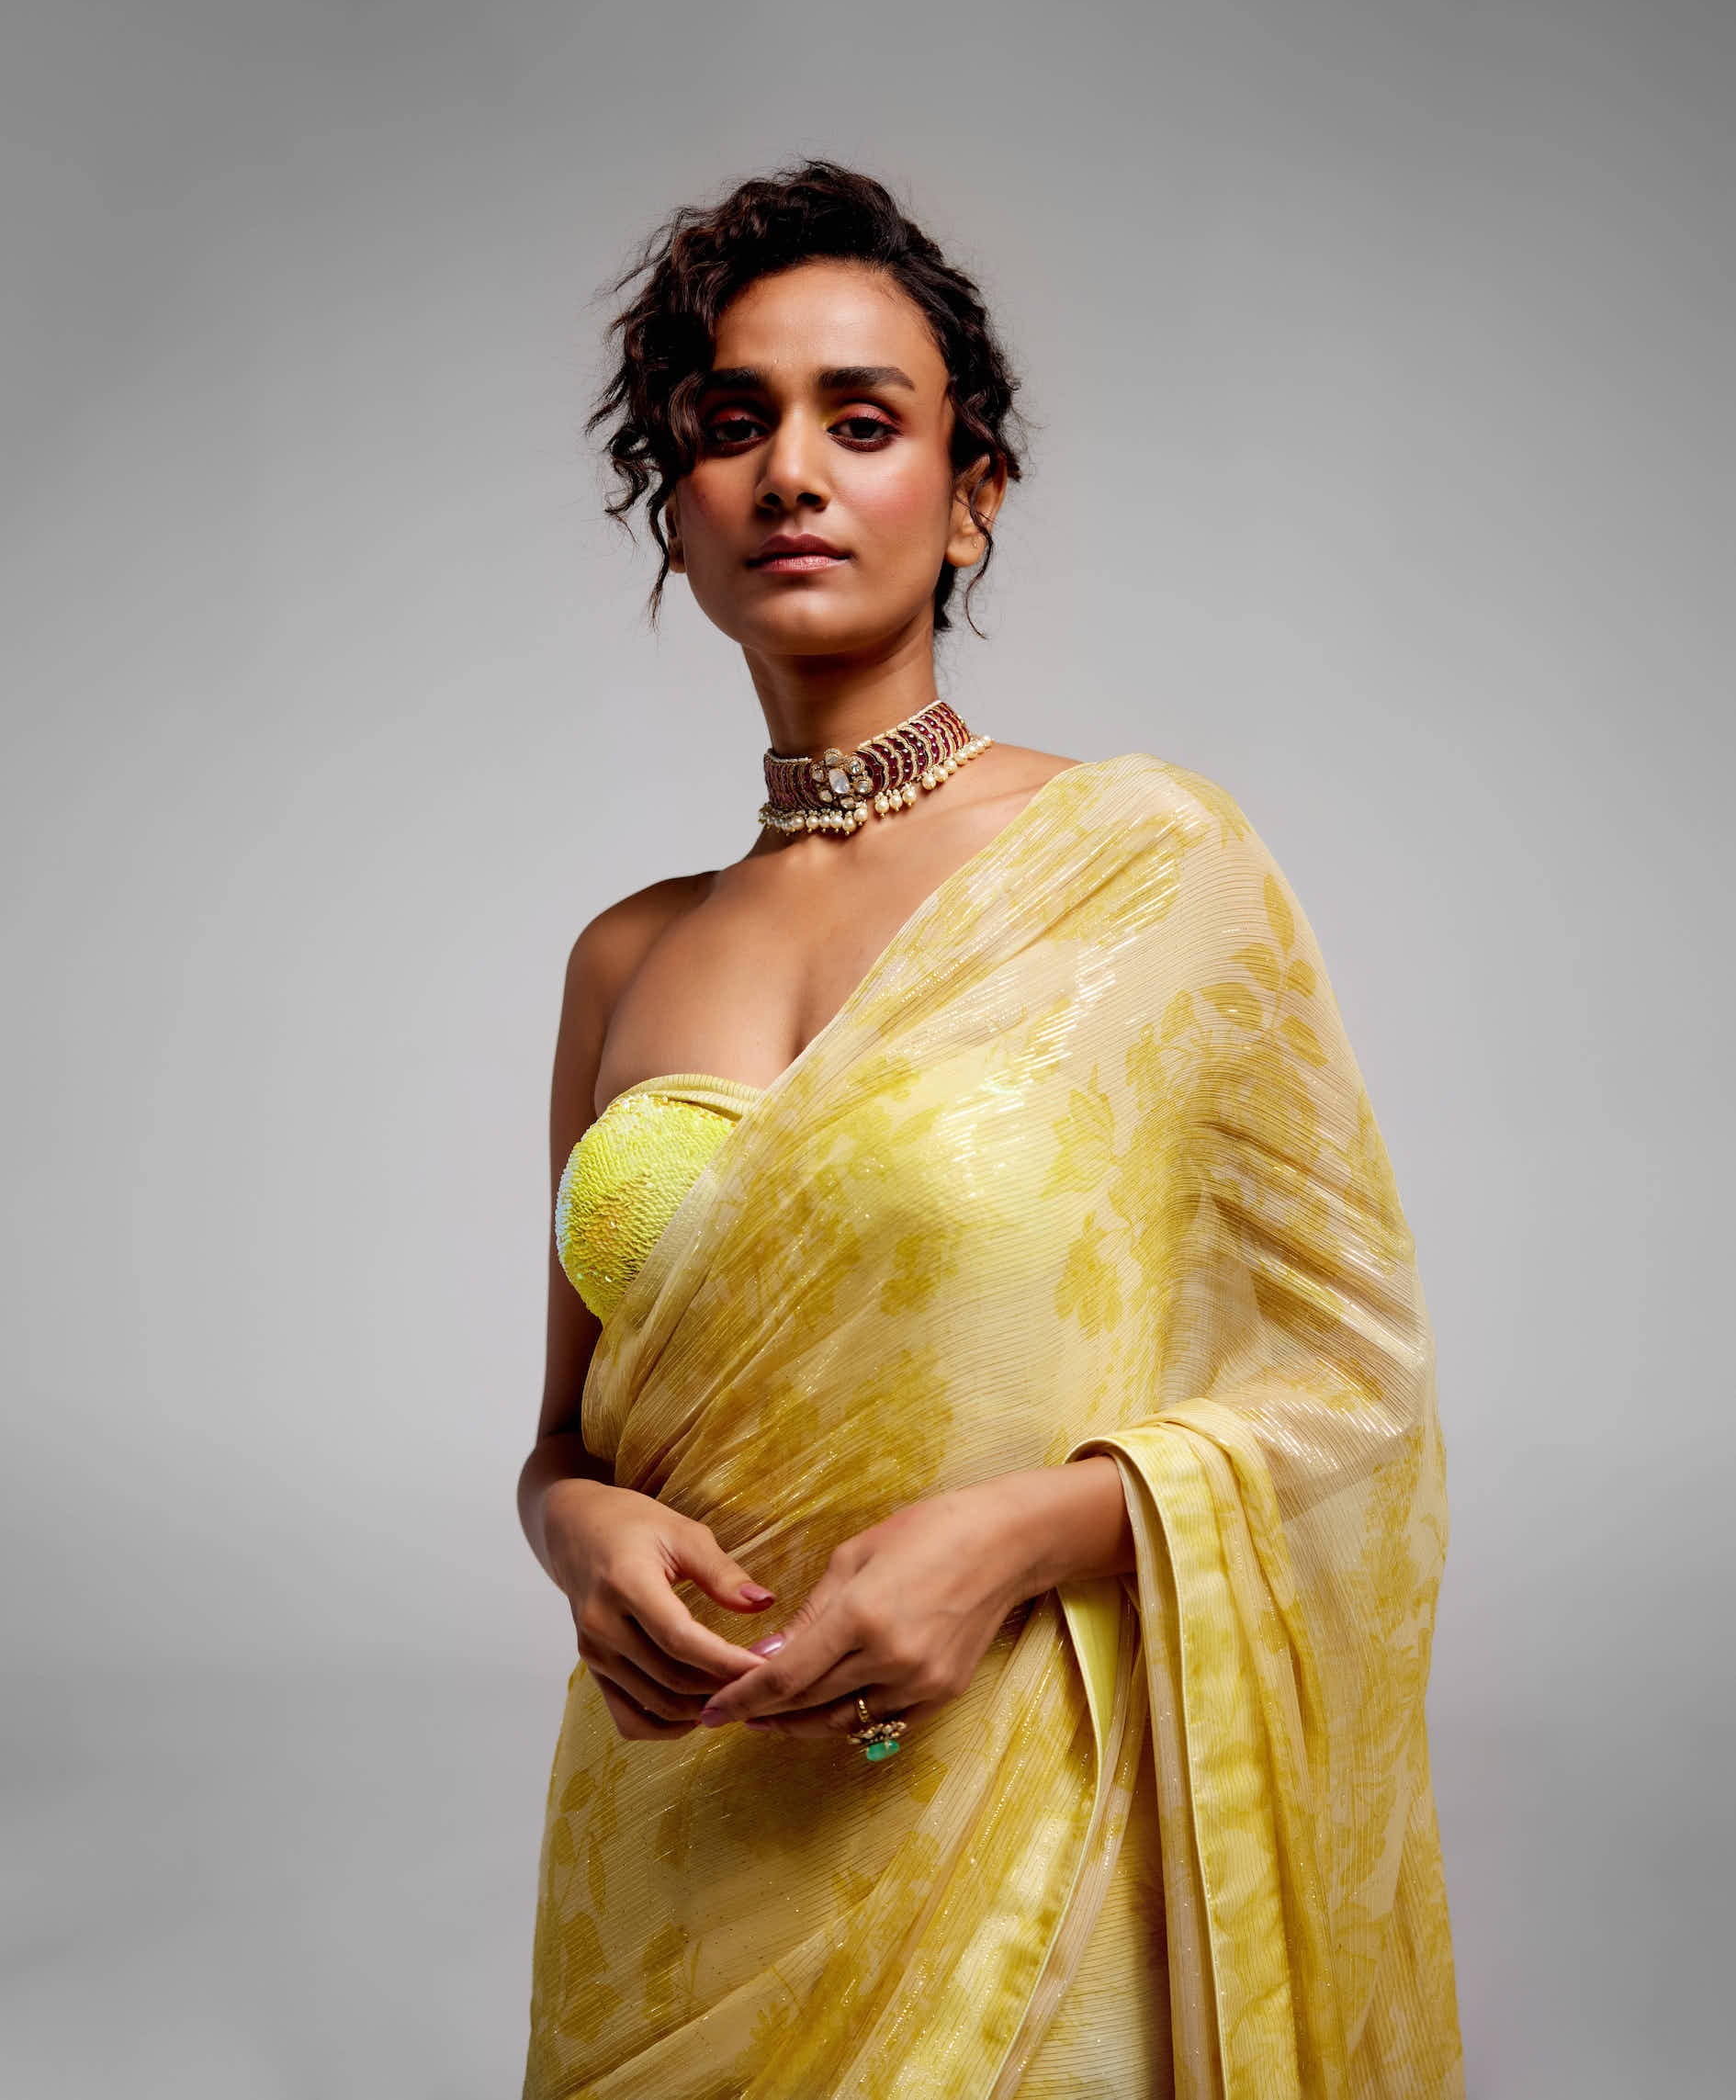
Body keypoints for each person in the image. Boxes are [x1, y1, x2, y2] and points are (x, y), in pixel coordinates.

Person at [516, 157, 1463, 2099]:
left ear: (972, 498)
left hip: (1011, 1821)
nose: (791, 471)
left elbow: (1351, 1380)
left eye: (863, 422)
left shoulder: (1142, 871)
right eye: (731, 422)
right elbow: (564, 1438)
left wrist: (1023, 1531)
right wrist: (576, 1525)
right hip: (671, 1842)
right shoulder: (624, 957)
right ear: (677, 504)